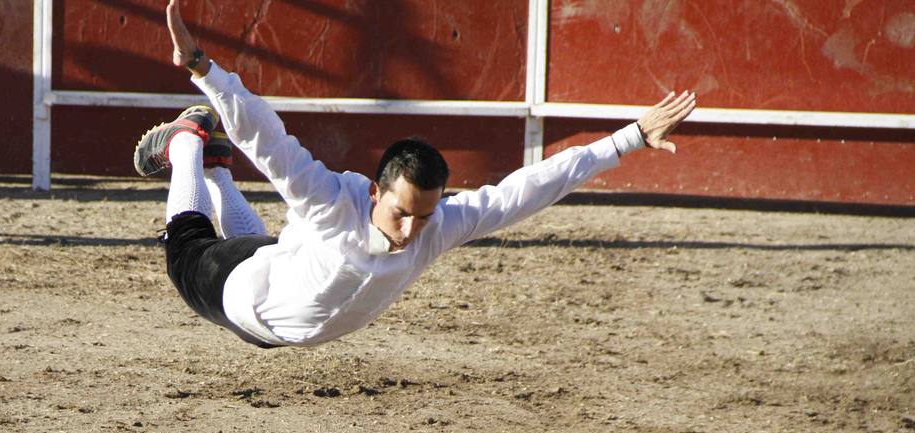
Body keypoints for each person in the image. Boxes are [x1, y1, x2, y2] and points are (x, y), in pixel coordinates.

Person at [135, 0, 696, 349]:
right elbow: (267, 137)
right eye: (402, 212)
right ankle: (188, 144)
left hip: (276, 280)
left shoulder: (439, 225)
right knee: (186, 247)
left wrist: (629, 138)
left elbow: (526, 190)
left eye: (424, 216)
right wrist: (204, 70)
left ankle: (214, 169)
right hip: (239, 298)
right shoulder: (331, 201)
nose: (410, 232)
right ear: (375, 191)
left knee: (259, 244)